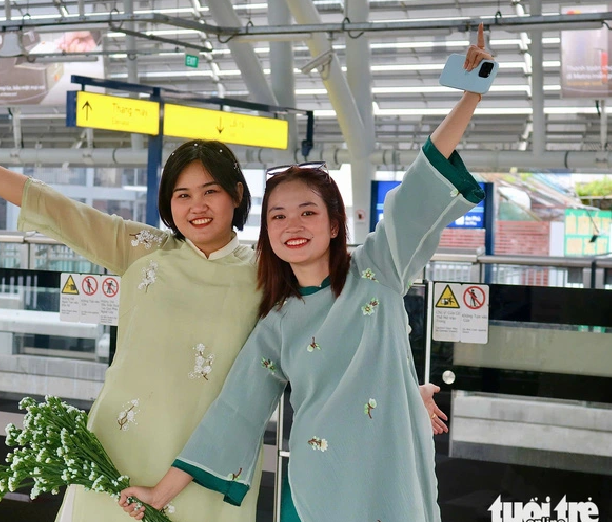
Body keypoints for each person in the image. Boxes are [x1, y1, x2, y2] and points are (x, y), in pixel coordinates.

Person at [117, 27, 492, 522]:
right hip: (318, 488)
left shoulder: (378, 270)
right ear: (265, 231)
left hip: (393, 478)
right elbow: (236, 412)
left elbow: (417, 189)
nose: (292, 225)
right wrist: (160, 494)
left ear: (336, 224)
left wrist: (469, 97)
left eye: (308, 213)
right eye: (277, 216)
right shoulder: (276, 323)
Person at [0, 137, 265, 522]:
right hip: (117, 453)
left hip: (209, 466)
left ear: (237, 193)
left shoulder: (268, 276)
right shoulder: (145, 250)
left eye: (210, 191)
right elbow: (63, 212)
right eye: (182, 195)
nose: (196, 206)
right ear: (168, 204)